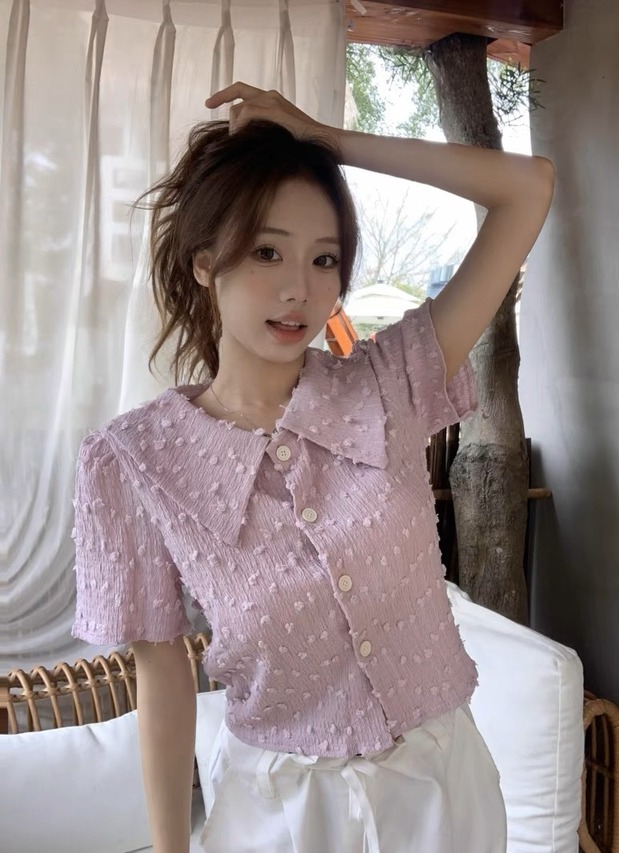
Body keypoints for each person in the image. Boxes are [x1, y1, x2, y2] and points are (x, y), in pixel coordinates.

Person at [71, 82, 555, 853]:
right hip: (281, 817)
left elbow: (527, 189)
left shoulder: (389, 384)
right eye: (267, 251)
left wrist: (325, 138)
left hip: (443, 799)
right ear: (205, 263)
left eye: (323, 258)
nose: (299, 288)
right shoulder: (135, 461)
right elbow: (162, 672)